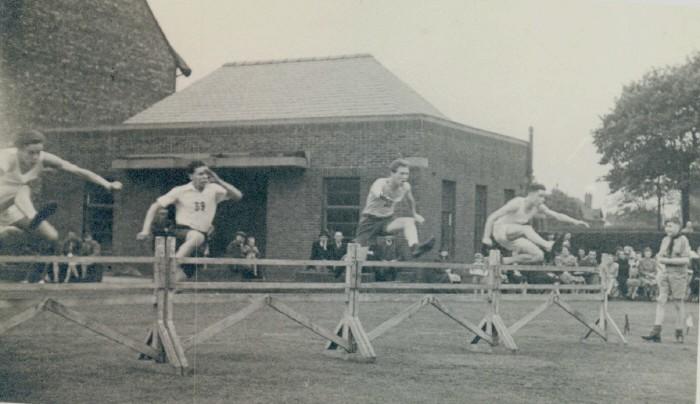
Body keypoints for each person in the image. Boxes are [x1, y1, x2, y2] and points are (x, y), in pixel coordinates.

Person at [0, 130, 122, 282]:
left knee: (52, 236)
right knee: (22, 189)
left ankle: (34, 279)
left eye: (38, 152)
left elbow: (77, 170)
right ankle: (29, 219)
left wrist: (107, 184)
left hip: (12, 207)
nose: (35, 158)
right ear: (18, 149)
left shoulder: (44, 158)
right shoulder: (6, 158)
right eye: (30, 153)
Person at [137, 160, 242, 281]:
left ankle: (159, 296)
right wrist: (145, 230)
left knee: (180, 277)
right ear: (191, 176)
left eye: (207, 173)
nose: (205, 176)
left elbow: (238, 195)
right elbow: (154, 207)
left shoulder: (214, 189)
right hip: (182, 232)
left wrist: (218, 180)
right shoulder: (180, 190)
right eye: (200, 174)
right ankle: (171, 264)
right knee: (196, 237)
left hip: (201, 237)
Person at [481, 183, 589, 265]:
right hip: (500, 230)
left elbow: (556, 215)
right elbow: (492, 217)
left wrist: (576, 221)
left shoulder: (538, 207)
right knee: (526, 229)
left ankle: (505, 260)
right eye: (540, 196)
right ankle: (547, 245)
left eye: (544, 197)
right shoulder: (517, 203)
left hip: (514, 237)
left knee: (538, 255)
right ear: (531, 194)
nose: (542, 200)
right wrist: (486, 237)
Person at [354, 159, 435, 259]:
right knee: (358, 258)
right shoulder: (381, 183)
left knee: (409, 221)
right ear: (392, 173)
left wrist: (414, 214)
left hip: (387, 221)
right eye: (401, 174)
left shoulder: (405, 187)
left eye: (407, 174)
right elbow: (376, 192)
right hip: (369, 221)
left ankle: (414, 247)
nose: (404, 177)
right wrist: (386, 199)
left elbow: (410, 200)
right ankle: (339, 267)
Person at [642, 218, 690, 343]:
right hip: (664, 274)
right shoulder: (665, 240)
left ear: (678, 226)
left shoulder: (683, 240)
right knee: (661, 300)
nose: (668, 229)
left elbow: (686, 260)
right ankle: (656, 332)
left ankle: (679, 332)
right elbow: (659, 256)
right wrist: (660, 267)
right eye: (666, 226)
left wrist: (667, 261)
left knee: (678, 303)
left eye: (671, 226)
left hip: (679, 275)